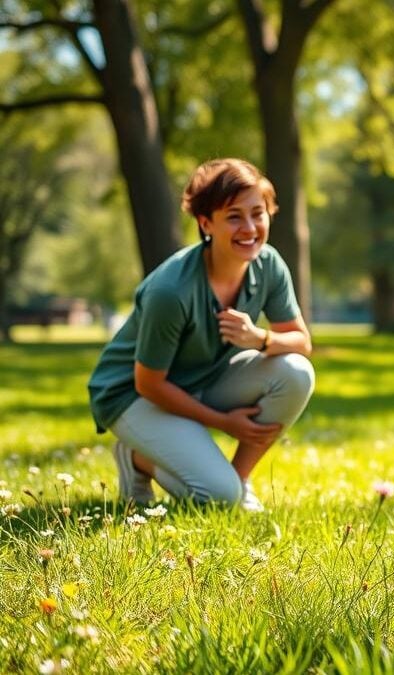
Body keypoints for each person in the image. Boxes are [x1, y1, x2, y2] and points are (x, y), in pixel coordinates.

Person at [88, 158, 315, 511]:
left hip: (203, 377)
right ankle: (137, 458)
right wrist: (223, 422)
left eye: (258, 213)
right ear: (206, 223)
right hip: (133, 395)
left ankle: (240, 480)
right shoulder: (171, 290)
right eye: (234, 216)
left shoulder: (268, 264)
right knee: (216, 498)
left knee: (296, 373)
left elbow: (301, 342)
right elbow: (149, 384)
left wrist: (261, 339)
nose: (250, 227)